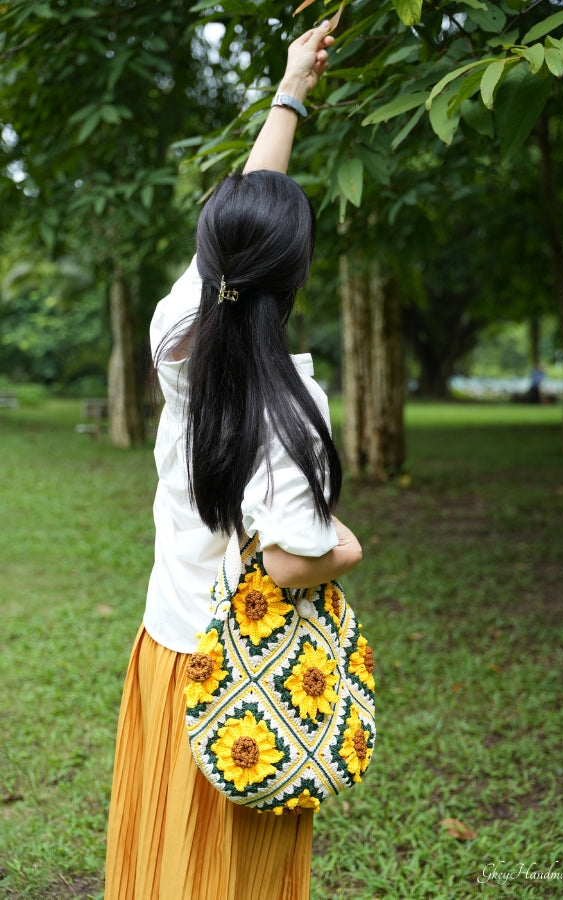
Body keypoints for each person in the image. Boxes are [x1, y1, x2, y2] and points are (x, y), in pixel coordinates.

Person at [104, 20, 363, 900]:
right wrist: (352, 547)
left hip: (166, 642)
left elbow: (248, 206)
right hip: (239, 680)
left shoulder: (174, 334)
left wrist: (291, 86)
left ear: (214, 254)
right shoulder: (291, 410)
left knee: (161, 859)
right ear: (294, 278)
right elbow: (292, 557)